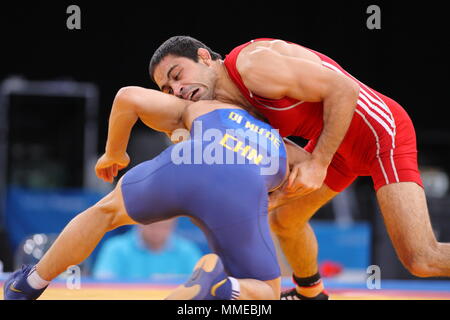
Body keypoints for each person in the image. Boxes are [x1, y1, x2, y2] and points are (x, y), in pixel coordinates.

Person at [149, 36, 450, 300]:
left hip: (380, 134)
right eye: (168, 88)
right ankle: (311, 294)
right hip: (335, 145)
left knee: (421, 258)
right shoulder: (224, 106)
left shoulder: (254, 66)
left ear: (204, 57)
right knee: (285, 219)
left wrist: (318, 164)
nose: (177, 89)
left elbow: (344, 89)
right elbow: (276, 146)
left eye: (177, 75)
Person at [3, 87, 294, 300]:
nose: (175, 89)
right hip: (243, 187)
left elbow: (127, 97)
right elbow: (311, 180)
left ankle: (28, 285)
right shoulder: (281, 145)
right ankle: (224, 287)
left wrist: (113, 153)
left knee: (104, 213)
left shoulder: (209, 105)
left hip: (189, 161)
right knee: (267, 292)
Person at [92, 220, 203, 280]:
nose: (157, 232)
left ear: (174, 224)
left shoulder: (188, 251)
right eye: (152, 226)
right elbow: (104, 288)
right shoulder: (115, 249)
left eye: (164, 226)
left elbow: (200, 289)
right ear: (138, 222)